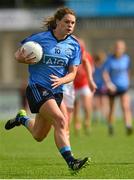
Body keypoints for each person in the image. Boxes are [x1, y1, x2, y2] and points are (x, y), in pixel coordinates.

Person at [5, 7, 90, 171]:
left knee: (38, 135)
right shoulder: (39, 39)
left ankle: (21, 118)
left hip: (57, 92)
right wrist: (22, 59)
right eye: (66, 22)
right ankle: (72, 162)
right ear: (57, 22)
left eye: (73, 23)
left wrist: (62, 80)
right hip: (38, 88)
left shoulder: (74, 45)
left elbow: (73, 74)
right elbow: (17, 54)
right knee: (61, 121)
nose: (70, 25)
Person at [103, 40, 133, 135]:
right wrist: (109, 83)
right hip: (113, 88)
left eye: (120, 48)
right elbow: (105, 73)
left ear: (123, 49)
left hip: (123, 86)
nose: (118, 49)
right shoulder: (109, 59)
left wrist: (127, 81)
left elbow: (128, 71)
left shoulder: (126, 59)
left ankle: (128, 125)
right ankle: (111, 125)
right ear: (114, 48)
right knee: (112, 108)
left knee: (125, 106)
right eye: (117, 47)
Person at [73, 40, 96, 135]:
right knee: (76, 107)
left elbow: (92, 69)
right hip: (73, 85)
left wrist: (85, 73)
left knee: (87, 105)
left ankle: (87, 122)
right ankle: (77, 124)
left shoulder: (87, 56)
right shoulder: (72, 55)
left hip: (84, 84)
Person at [92, 51, 109, 123]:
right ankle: (96, 117)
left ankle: (104, 117)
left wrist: (107, 83)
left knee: (103, 102)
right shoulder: (93, 67)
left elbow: (105, 76)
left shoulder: (103, 67)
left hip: (102, 86)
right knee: (96, 103)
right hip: (96, 86)